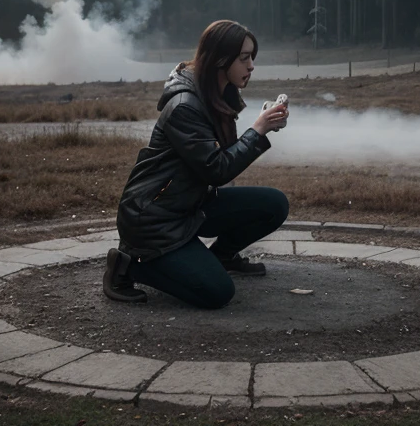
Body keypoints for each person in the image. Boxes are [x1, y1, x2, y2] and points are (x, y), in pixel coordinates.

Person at [105, 20, 290, 309]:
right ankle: (128, 266)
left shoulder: (217, 93)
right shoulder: (185, 106)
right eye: (244, 58)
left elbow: (221, 155)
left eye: (252, 57)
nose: (251, 65)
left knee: (274, 204)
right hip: (154, 220)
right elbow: (217, 170)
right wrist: (257, 131)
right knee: (217, 293)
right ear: (219, 58)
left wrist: (264, 124)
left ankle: (221, 257)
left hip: (190, 203)